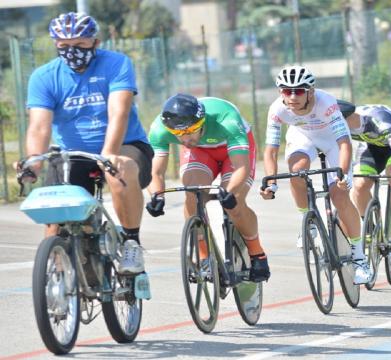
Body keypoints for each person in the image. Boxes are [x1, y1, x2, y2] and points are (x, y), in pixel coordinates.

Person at [20, 12, 152, 274]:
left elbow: (119, 113)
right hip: (73, 153)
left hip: (124, 144)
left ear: (96, 42)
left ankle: (131, 242)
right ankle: (56, 275)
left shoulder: (116, 64)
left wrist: (109, 154)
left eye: (80, 45)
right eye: (64, 46)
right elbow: (39, 126)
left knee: (119, 170)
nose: (72, 52)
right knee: (54, 213)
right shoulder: (44, 77)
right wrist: (32, 163)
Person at [260, 65, 371, 285]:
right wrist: (270, 182)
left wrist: (344, 173)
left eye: (299, 91)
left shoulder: (326, 103)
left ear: (310, 91)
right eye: (286, 91)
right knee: (296, 173)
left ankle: (359, 257)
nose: (292, 96)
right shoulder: (276, 109)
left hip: (332, 140)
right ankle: (308, 222)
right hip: (303, 137)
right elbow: (271, 150)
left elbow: (344, 143)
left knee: (339, 195)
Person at [145, 94, 270, 282]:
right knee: (193, 193)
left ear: (201, 122)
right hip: (199, 152)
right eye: (178, 134)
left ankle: (256, 252)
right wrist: (157, 196)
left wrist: (229, 192)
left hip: (232, 151)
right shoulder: (160, 129)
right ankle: (204, 257)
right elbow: (155, 172)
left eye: (191, 131)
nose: (185, 138)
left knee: (233, 204)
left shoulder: (226, 120)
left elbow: (242, 168)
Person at [339, 101, 391, 252]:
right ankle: (372, 229)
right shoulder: (344, 125)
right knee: (360, 185)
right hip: (372, 143)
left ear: (347, 118)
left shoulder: (379, 120)